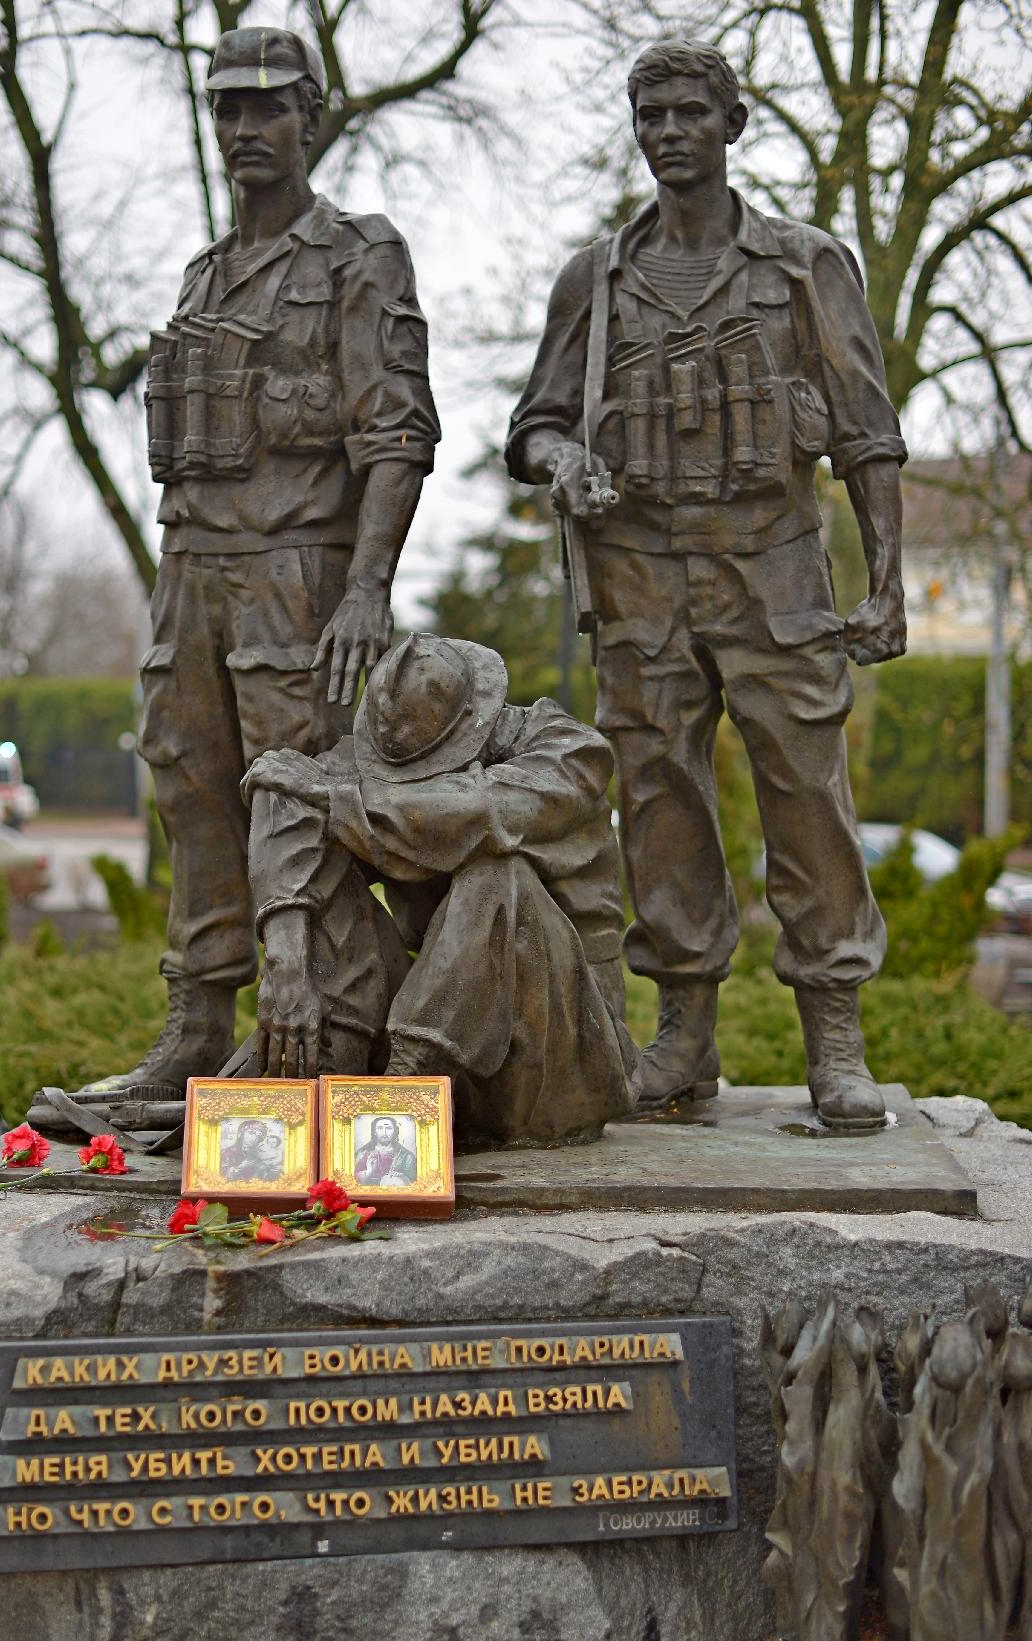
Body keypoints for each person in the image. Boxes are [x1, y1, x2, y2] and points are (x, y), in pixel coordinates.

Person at [506, 40, 907, 1130]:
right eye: (651, 114)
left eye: (690, 111)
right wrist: (566, 465)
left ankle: (835, 1030)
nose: (669, 131)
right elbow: (535, 425)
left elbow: (868, 433)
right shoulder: (595, 277)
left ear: (734, 124)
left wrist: (888, 583)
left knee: (809, 800)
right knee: (659, 802)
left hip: (775, 568)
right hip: (637, 577)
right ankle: (683, 1032)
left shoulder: (803, 266)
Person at [75, 26, 439, 1106]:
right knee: (187, 775)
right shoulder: (207, 272)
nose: (244, 129)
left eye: (268, 108)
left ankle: (326, 1017)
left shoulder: (357, 256)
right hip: (193, 569)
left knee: (292, 793)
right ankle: (201, 1015)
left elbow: (398, 433)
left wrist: (367, 587)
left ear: (310, 121)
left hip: (295, 569)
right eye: (228, 109)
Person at [241, 634, 641, 1148]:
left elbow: (481, 811)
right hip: (449, 1058)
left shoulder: (569, 754)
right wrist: (287, 962)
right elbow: (282, 784)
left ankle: (399, 1090)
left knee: (497, 874)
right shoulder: (365, 765)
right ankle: (322, 1067)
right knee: (305, 821)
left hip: (552, 1068)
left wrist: (337, 798)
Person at [355, 1116, 418, 1186]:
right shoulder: (362, 1153)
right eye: (380, 1128)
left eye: (389, 1128)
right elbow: (353, 1181)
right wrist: (368, 1172)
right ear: (374, 1132)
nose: (384, 1133)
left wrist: (402, 1178)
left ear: (395, 1132)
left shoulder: (406, 1156)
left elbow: (414, 1183)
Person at [220, 1118, 284, 1183]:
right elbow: (224, 1176)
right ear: (240, 1133)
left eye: (259, 1136)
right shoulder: (229, 1152)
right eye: (251, 1133)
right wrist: (240, 1168)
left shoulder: (259, 1153)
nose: (254, 1138)